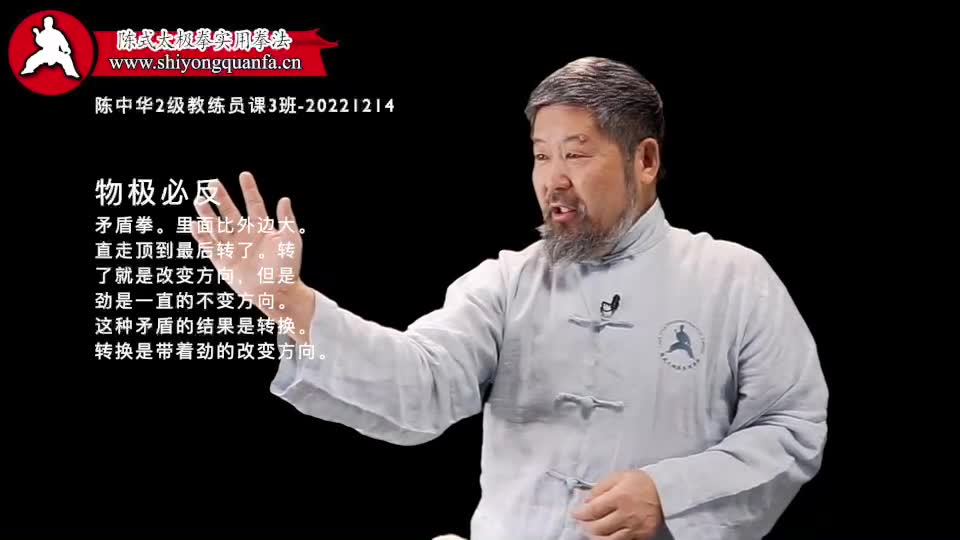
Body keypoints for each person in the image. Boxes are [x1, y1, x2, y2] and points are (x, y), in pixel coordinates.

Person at [191, 56, 829, 540]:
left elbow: (793, 428)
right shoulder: (507, 282)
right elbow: (420, 382)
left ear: (645, 159)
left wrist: (671, 493)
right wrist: (290, 301)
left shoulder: (733, 278)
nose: (554, 180)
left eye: (576, 155)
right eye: (541, 156)